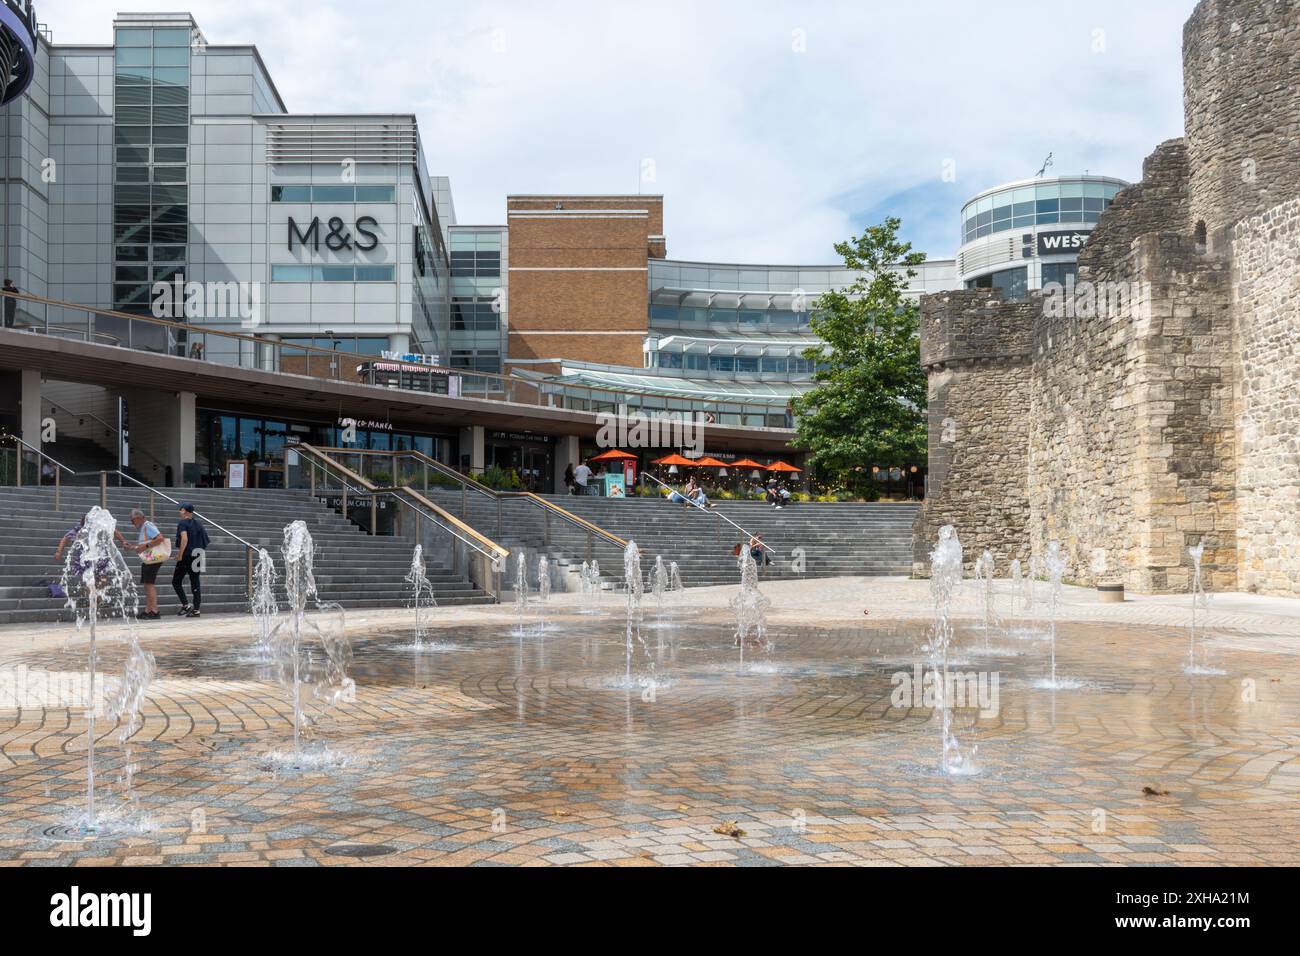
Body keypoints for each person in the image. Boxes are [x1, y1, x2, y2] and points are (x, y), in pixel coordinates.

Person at [116, 509, 166, 619]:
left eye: (132, 521)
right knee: (147, 584)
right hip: (149, 559)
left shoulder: (148, 525)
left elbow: (160, 538)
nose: (132, 523)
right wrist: (132, 547)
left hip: (153, 559)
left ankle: (154, 611)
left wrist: (144, 547)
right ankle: (149, 610)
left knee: (149, 584)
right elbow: (144, 545)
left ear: (138, 518)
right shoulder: (144, 528)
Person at [172, 503, 209, 618]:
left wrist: (180, 555)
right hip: (199, 553)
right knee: (195, 582)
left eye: (181, 510)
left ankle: (186, 605)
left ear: (185, 511)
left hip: (188, 554)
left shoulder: (182, 523)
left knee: (176, 581)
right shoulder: (199, 524)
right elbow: (205, 541)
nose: (179, 511)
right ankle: (196, 610)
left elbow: (184, 539)